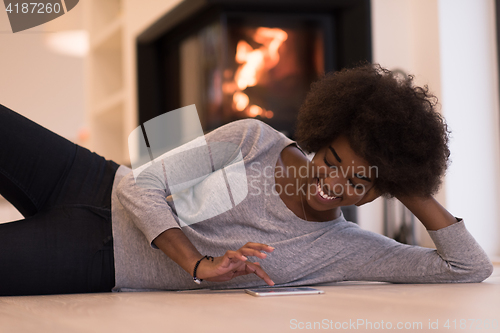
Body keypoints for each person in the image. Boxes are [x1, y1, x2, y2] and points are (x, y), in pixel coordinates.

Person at [0, 64, 493, 296]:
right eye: (334, 161)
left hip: (99, 256)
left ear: (380, 190)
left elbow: (467, 269)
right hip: (90, 179)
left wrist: (404, 182)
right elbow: (139, 186)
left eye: (358, 184)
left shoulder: (346, 248)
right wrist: (198, 265)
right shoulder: (255, 140)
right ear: (322, 135)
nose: (334, 185)